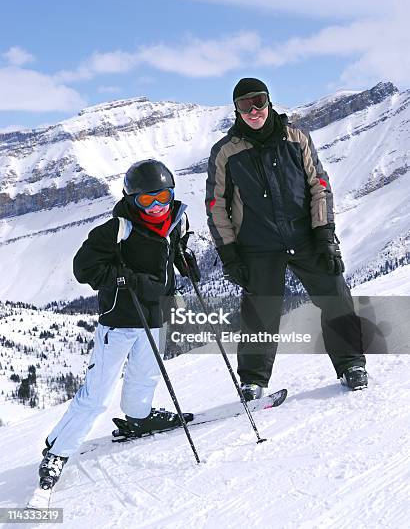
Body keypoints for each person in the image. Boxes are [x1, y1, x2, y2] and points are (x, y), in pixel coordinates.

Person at [38, 159, 198, 490]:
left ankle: (139, 419)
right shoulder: (116, 230)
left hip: (155, 317)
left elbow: (172, 251)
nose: (156, 206)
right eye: (146, 200)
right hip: (120, 322)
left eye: (163, 197)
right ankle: (58, 449)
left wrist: (183, 260)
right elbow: (84, 268)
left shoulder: (176, 221)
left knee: (145, 376)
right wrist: (126, 279)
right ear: (130, 198)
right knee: (96, 394)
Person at [206, 78, 367, 401]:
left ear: (269, 101)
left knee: (335, 293)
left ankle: (351, 364)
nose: (254, 111)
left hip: (305, 236)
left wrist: (324, 234)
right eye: (244, 105)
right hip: (258, 243)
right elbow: (215, 205)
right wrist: (230, 253)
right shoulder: (226, 151)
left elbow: (319, 186)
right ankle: (253, 380)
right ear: (236, 109)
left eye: (259, 102)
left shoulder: (297, 138)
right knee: (260, 312)